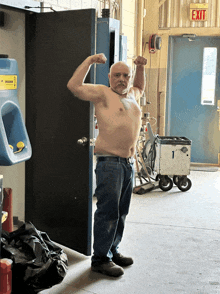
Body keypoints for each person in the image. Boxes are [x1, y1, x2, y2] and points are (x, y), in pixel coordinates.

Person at [67, 53, 147, 277]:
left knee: (121, 212)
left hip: (127, 164)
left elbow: (140, 85)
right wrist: (90, 61)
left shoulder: (132, 94)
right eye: (117, 75)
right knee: (108, 212)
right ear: (110, 77)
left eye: (126, 75)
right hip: (109, 164)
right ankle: (100, 259)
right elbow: (74, 86)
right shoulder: (103, 94)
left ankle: (112, 250)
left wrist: (140, 67)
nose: (122, 79)